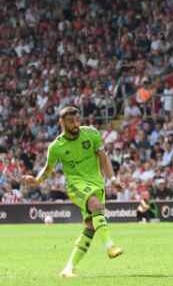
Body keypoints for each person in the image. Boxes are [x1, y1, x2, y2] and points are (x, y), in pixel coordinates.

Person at [21, 106, 123, 276]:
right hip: (76, 185)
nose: (75, 124)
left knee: (90, 226)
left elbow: (103, 157)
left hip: (96, 183)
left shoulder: (91, 133)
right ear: (61, 122)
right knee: (95, 204)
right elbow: (48, 168)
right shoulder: (56, 146)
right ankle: (110, 246)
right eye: (70, 121)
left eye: (77, 120)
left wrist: (112, 179)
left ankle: (68, 268)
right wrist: (37, 180)